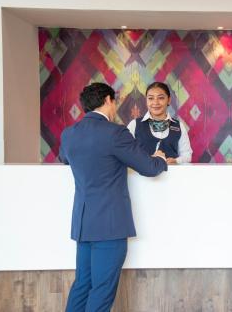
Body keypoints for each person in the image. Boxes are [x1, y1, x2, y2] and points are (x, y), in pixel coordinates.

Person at [59, 82, 168, 312]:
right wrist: (160, 158)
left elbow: (65, 158)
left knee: (82, 285)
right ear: (108, 100)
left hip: (83, 224)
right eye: (114, 101)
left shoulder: (69, 135)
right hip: (109, 226)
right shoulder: (116, 133)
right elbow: (148, 167)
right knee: (102, 289)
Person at [127, 82, 193, 164]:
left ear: (168, 100)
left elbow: (187, 155)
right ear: (146, 101)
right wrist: (146, 160)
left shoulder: (178, 126)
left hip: (172, 175)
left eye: (161, 98)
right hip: (142, 176)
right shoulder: (134, 125)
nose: (155, 102)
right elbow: (126, 154)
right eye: (151, 98)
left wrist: (176, 161)